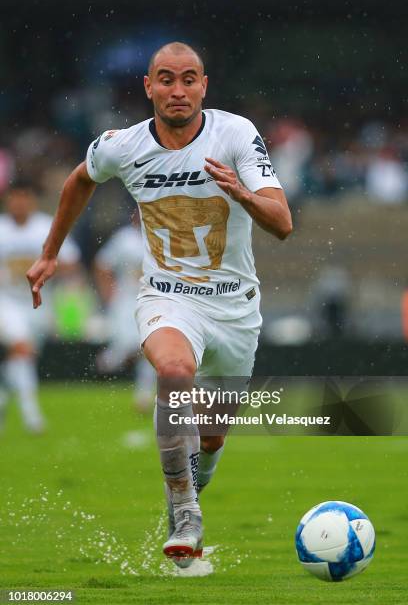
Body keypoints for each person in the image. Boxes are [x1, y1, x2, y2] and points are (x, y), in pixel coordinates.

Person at [26, 42, 292, 566]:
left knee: (212, 437)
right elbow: (81, 178)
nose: (178, 90)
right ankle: (185, 510)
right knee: (173, 371)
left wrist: (240, 193)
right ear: (149, 87)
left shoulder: (235, 134)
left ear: (204, 86)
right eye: (166, 79)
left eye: (188, 79)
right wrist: (50, 253)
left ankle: (193, 487)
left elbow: (282, 223)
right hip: (167, 297)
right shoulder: (121, 145)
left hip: (235, 308)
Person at [0, 181, 80, 433]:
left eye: (24, 198)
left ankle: (3, 396)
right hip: (7, 302)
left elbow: (70, 261)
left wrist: (51, 269)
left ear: (32, 201)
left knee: (24, 356)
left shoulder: (45, 227)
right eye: (14, 198)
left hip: (38, 303)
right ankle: (31, 416)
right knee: (21, 348)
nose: (19, 203)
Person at [94, 211, 155, 410]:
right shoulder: (124, 239)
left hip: (153, 301)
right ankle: (104, 364)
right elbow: (102, 264)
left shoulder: (163, 237)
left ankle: (143, 396)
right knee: (127, 346)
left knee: (150, 346)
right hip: (126, 301)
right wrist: (108, 295)